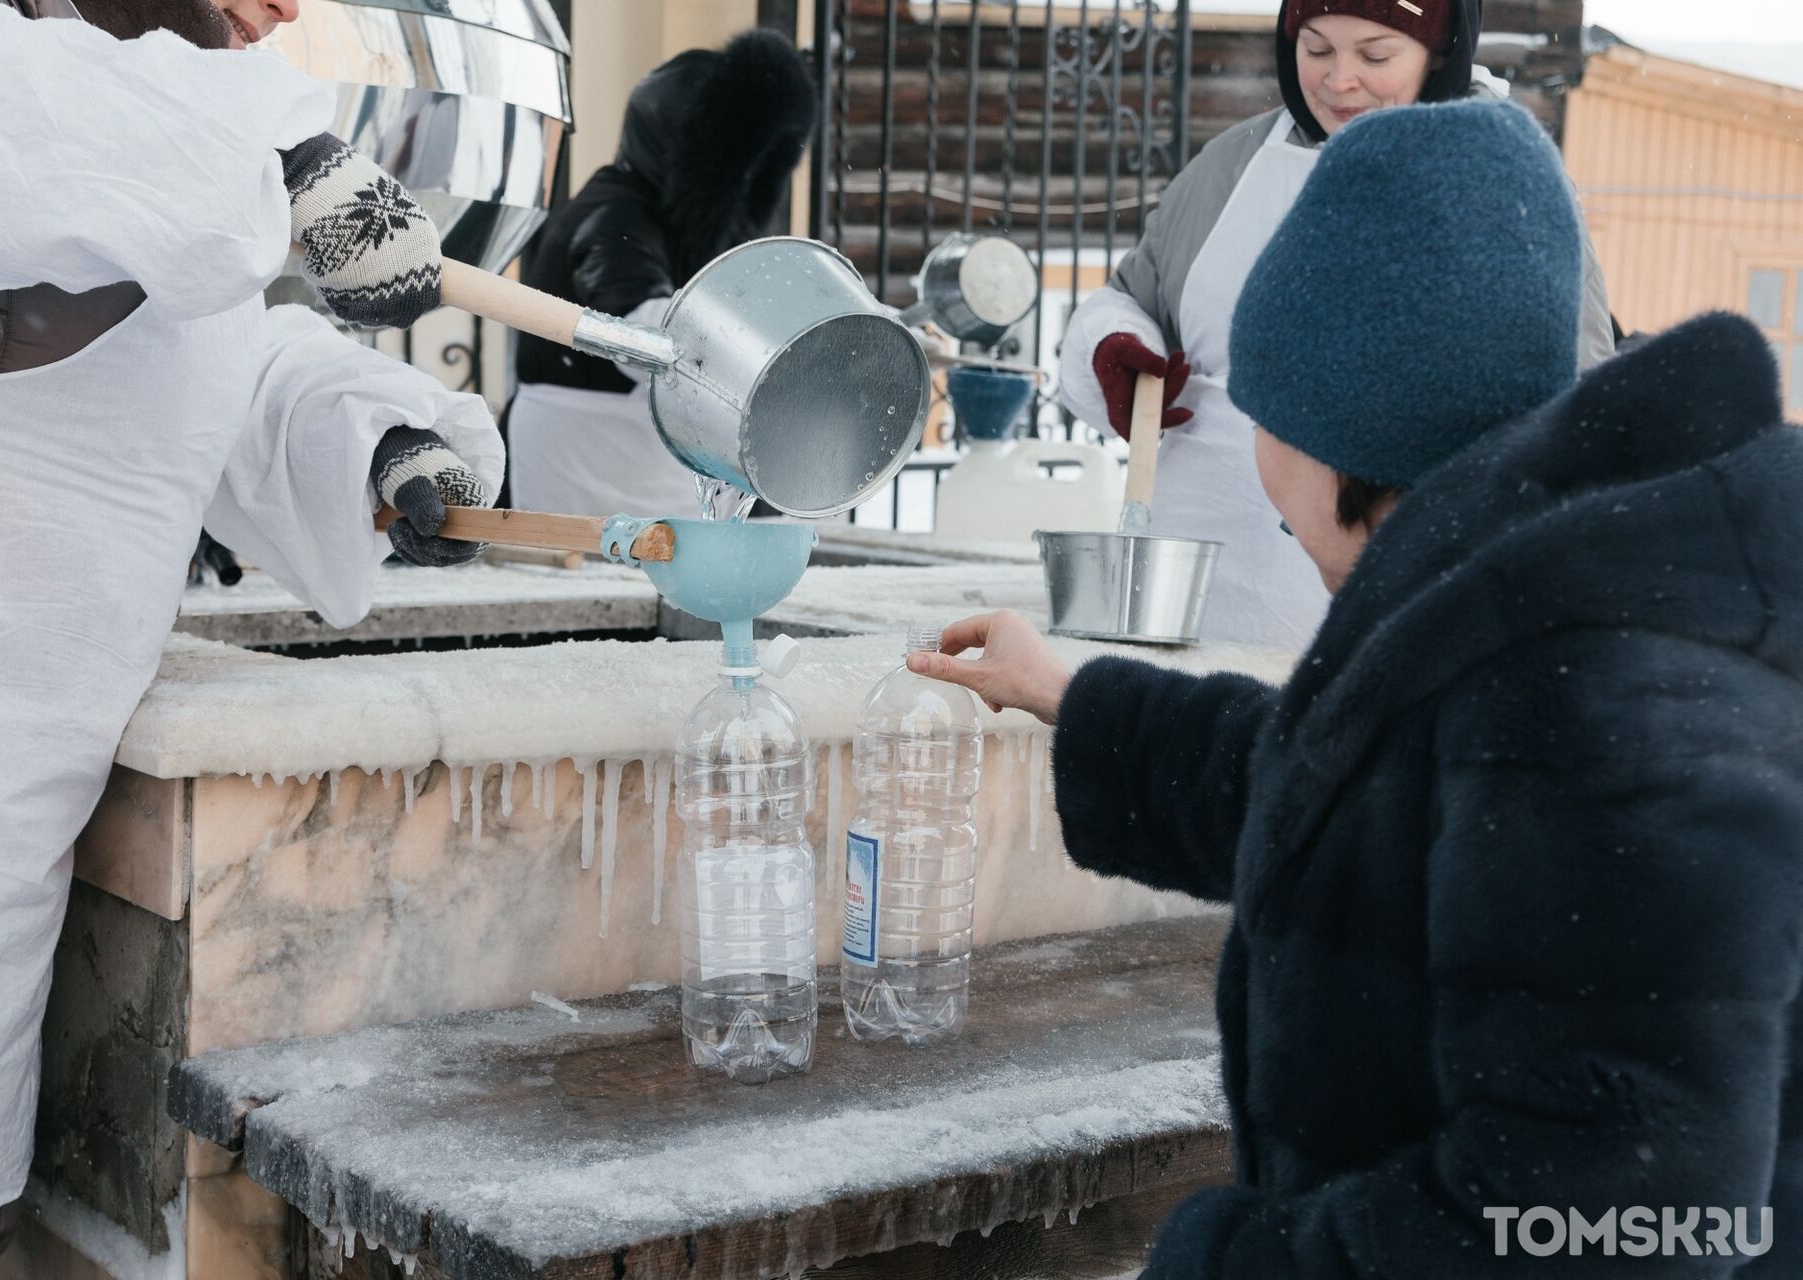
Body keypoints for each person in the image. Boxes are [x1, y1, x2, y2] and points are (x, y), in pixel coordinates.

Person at [914, 100, 1802, 1276]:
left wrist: (1237, 1262)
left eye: (1262, 411)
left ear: (1340, 427)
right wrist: (1076, 700)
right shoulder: (1514, 615)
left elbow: (1615, 1217)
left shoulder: (1598, 703)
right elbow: (1362, 798)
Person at [0, 1, 500, 1271]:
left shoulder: (180, 217)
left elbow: (253, 376)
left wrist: (390, 444)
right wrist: (291, 153)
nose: (286, 12)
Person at [1059, 0, 1617, 653]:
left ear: (1439, 50)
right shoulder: (1234, 164)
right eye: (1316, 48)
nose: (1338, 79)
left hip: (1390, 618)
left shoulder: (1503, 185)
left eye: (1375, 55)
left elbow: (1575, 404)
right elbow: (1135, 295)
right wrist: (1114, 345)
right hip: (1189, 596)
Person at [504, 29, 816, 518]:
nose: (745, 183)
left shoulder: (684, 226)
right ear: (690, 156)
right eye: (734, 165)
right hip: (586, 465)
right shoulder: (611, 215)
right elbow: (644, 338)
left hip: (645, 466)